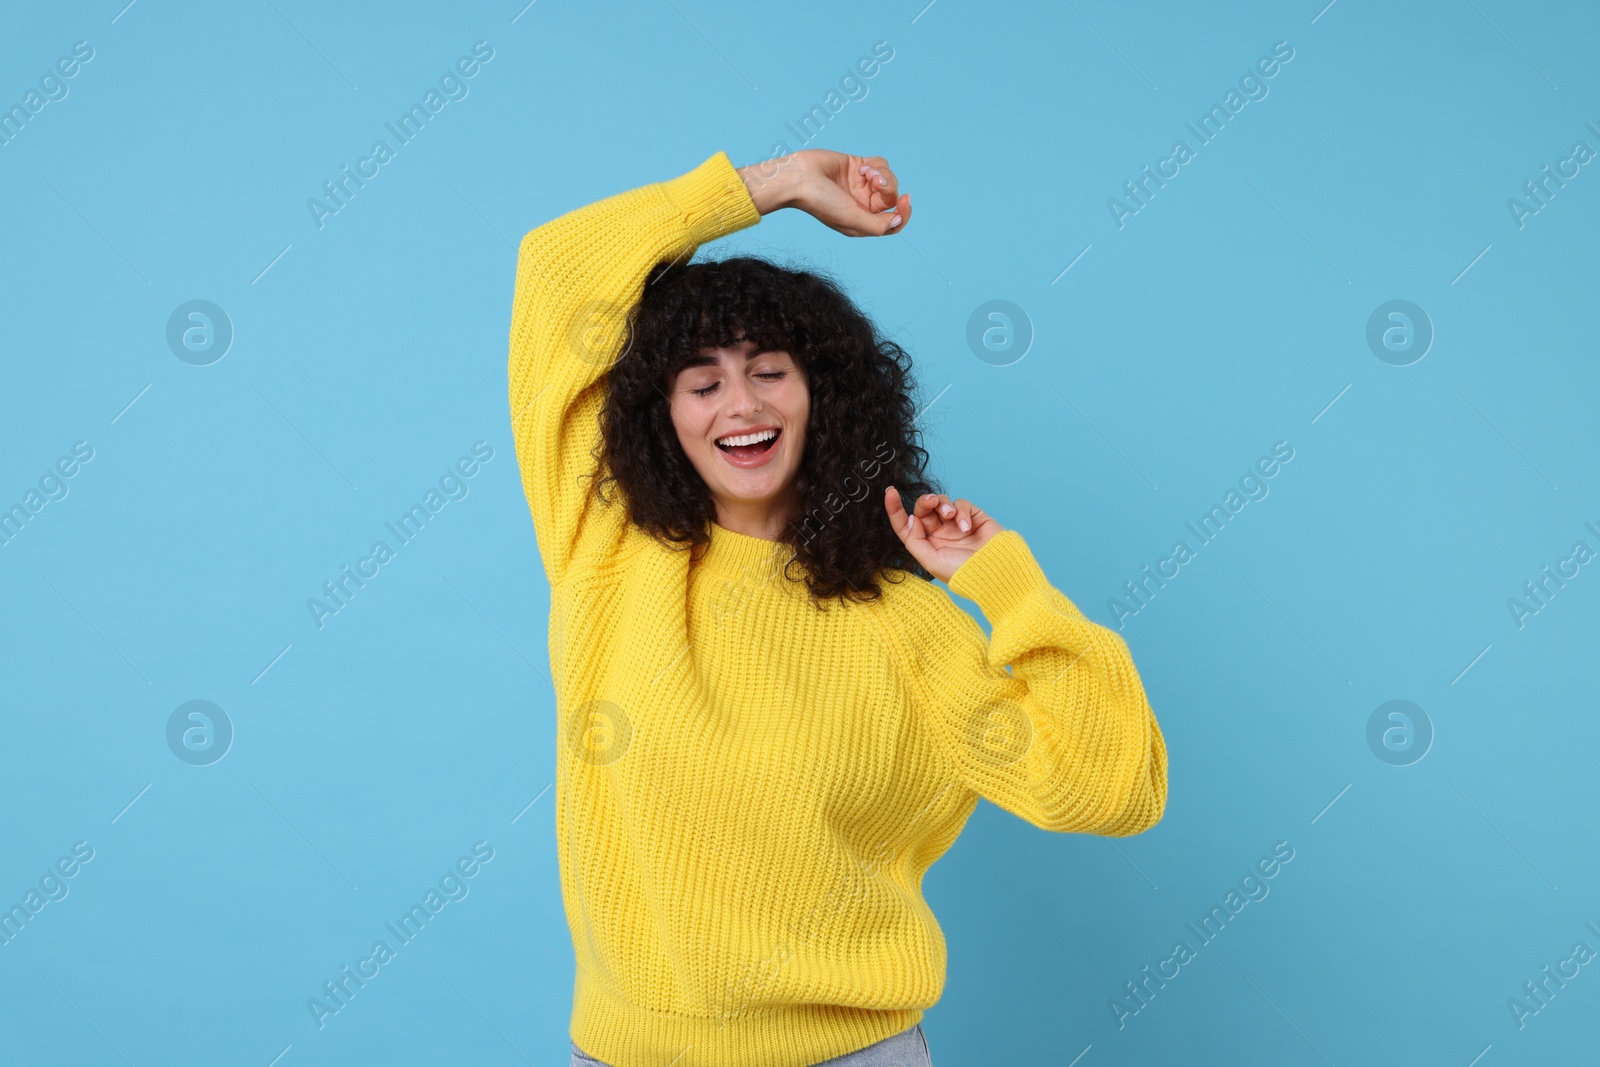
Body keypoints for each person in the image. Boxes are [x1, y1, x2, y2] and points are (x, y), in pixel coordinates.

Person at [506, 148, 1168, 1067]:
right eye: (702, 382)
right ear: (663, 414)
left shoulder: (902, 619)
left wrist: (1006, 583)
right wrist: (773, 187)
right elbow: (556, 268)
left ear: (824, 396)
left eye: (769, 371)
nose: (739, 404)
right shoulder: (606, 543)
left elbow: (1108, 787)